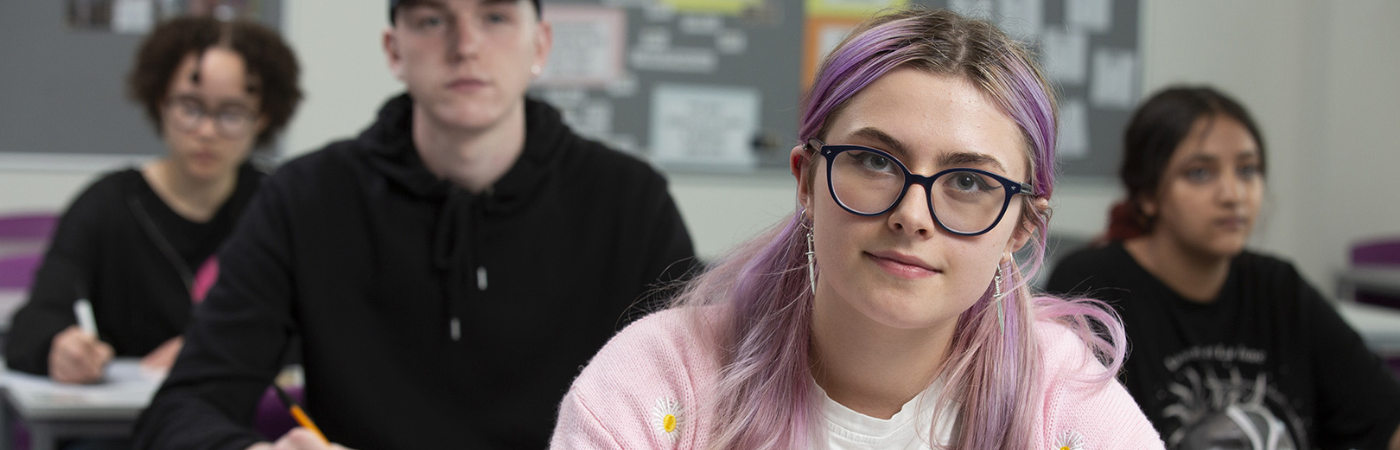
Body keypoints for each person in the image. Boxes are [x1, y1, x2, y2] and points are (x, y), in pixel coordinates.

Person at [549, 8, 1163, 449]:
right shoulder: (662, 382)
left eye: (970, 182)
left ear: (1022, 229)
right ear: (806, 181)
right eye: (874, 161)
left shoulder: (1068, 409)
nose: (912, 215)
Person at [131, 0, 696, 449]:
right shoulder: (304, 199)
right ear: (393, 49)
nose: (465, 46)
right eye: (431, 19)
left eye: (495, 15)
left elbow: (707, 407)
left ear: (540, 44)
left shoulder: (630, 201)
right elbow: (182, 411)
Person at [1046, 86, 1400, 450]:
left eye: (1248, 170)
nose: (1233, 194)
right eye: (1200, 173)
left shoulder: (1280, 287)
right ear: (1148, 195)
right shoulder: (1093, 283)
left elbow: (1385, 415)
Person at [5, 16, 301, 384]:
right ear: (160, 101)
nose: (207, 131)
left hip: (239, 425)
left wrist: (217, 348)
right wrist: (60, 347)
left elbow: (325, 329)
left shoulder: (277, 207)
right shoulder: (106, 206)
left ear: (263, 117)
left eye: (231, 113)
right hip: (119, 432)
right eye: (190, 107)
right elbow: (33, 324)